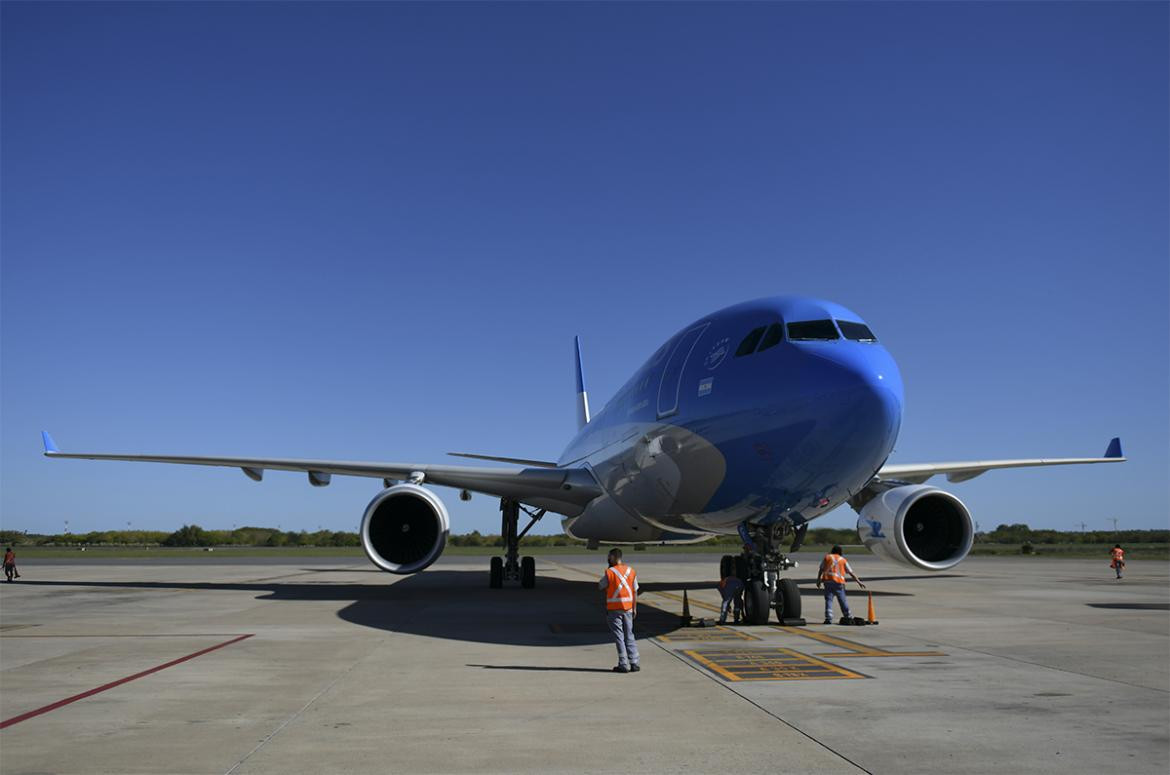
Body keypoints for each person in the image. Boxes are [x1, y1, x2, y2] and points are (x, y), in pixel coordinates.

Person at [599, 548, 640, 673]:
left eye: (609, 557)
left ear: (612, 557)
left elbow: (601, 585)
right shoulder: (631, 571)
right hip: (628, 608)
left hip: (614, 609)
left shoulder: (610, 572)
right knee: (630, 635)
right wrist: (635, 608)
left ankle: (623, 664)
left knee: (619, 636)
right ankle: (634, 662)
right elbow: (635, 590)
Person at [816, 545, 865, 624]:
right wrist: (858, 581)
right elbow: (850, 572)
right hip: (839, 583)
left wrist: (818, 580)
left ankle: (828, 618)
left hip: (828, 582)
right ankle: (848, 616)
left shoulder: (827, 557)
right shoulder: (843, 560)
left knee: (829, 600)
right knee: (842, 600)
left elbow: (821, 569)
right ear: (840, 552)